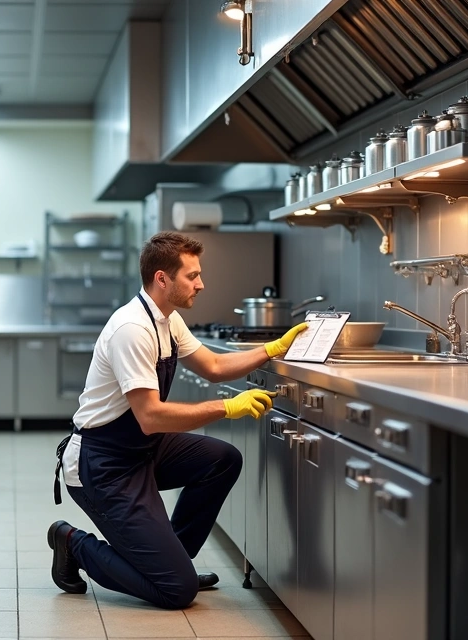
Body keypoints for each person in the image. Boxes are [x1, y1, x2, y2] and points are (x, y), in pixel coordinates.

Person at [49, 231, 307, 609]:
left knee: (223, 460)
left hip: (141, 449)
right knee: (177, 592)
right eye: (192, 276)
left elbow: (215, 366)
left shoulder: (167, 320)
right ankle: (73, 543)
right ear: (162, 279)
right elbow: (151, 416)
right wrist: (227, 408)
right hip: (103, 465)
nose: (201, 284)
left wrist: (271, 349)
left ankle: (171, 563)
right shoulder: (132, 328)